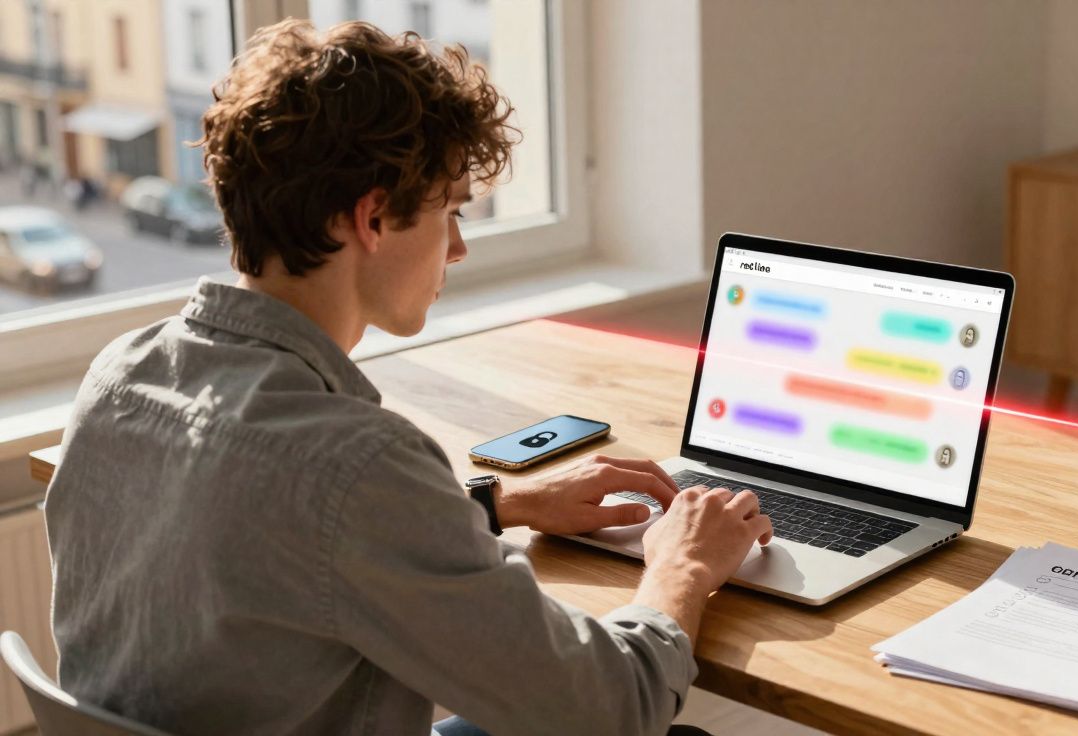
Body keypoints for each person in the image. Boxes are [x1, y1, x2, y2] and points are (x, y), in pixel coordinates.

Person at [43, 19, 772, 736]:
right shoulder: (356, 464)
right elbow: (614, 709)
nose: (456, 247)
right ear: (372, 218)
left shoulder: (120, 374)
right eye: (448, 211)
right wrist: (681, 565)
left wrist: (497, 503)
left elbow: (285, 532)